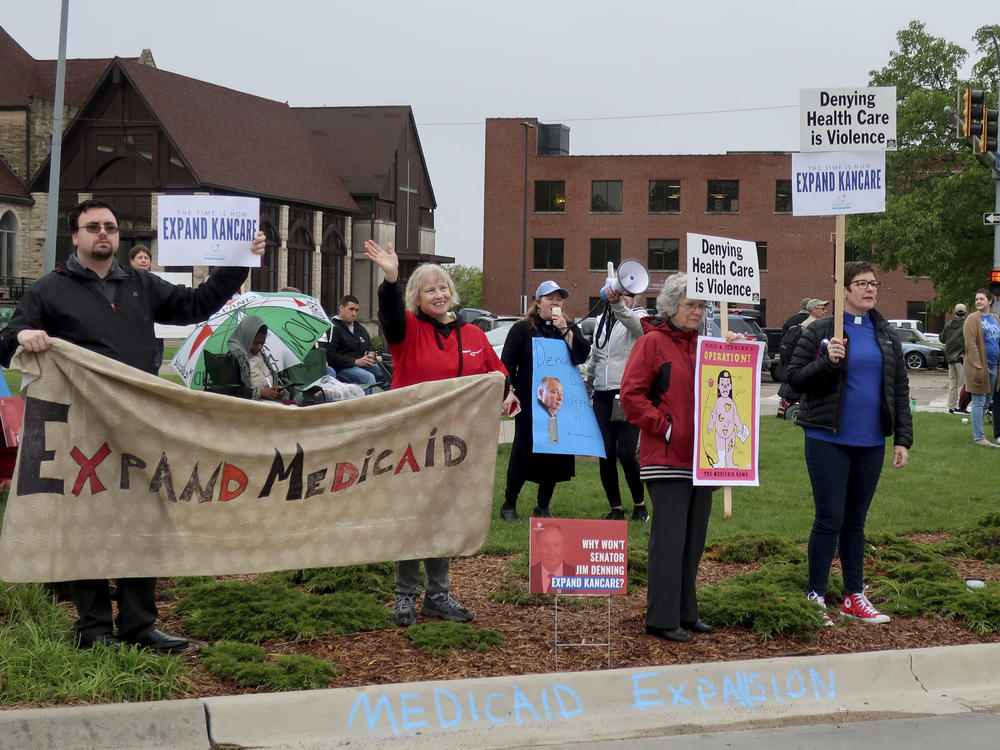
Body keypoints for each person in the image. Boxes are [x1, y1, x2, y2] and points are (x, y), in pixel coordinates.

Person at [0, 198, 266, 651]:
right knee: (86, 523)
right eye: (93, 227)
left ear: (118, 236)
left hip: (140, 427)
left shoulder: (140, 284)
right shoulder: (48, 290)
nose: (103, 233)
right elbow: (6, 341)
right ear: (76, 235)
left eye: (110, 226)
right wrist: (23, 334)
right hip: (81, 430)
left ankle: (140, 627)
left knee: (143, 520)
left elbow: (195, 304)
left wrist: (239, 263)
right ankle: (95, 630)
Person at [364, 238, 514, 628]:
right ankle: (404, 596)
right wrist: (391, 279)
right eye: (429, 289)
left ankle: (438, 594)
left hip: (456, 447)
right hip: (410, 444)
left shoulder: (475, 336)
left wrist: (509, 393)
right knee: (412, 515)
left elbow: (497, 377)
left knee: (442, 516)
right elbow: (391, 314)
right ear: (416, 297)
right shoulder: (407, 330)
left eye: (443, 287)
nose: (439, 293)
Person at [786, 261, 912, 627]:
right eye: (861, 283)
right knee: (830, 518)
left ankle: (853, 595)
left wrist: (902, 438)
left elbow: (899, 389)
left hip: (870, 441)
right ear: (843, 289)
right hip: (827, 438)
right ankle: (815, 595)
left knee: (856, 522)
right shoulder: (823, 330)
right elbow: (792, 380)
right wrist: (827, 361)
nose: (870, 289)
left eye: (874, 283)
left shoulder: (885, 334)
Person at [619, 273, 723, 643]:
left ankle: (686, 611)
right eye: (691, 304)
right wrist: (665, 427)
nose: (698, 311)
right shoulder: (652, 343)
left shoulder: (705, 345)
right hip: (667, 457)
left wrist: (735, 352)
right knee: (670, 539)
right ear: (671, 306)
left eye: (702, 305)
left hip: (704, 459)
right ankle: (661, 617)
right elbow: (631, 396)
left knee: (693, 539)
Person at [498, 280, 591, 521]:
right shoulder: (522, 329)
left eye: (559, 299)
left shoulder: (568, 327)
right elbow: (506, 364)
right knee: (522, 452)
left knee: (553, 454)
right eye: (550, 298)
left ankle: (543, 504)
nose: (555, 303)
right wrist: (509, 391)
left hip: (556, 406)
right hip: (530, 404)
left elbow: (581, 354)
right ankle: (509, 503)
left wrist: (565, 330)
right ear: (538, 302)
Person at [584, 290, 648, 522]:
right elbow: (595, 356)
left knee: (627, 454)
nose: (624, 299)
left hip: (628, 395)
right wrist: (588, 386)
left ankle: (640, 505)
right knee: (606, 454)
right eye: (620, 295)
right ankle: (616, 508)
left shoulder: (639, 317)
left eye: (629, 295)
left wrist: (619, 306)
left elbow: (638, 327)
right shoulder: (602, 321)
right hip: (602, 395)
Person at [962, 289, 1000, 447]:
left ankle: (980, 433)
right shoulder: (972, 319)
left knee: (986, 402)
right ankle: (979, 438)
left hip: (994, 365)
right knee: (978, 401)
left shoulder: (995, 318)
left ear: (990, 301)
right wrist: (978, 366)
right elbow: (970, 344)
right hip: (979, 367)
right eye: (976, 299)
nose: (978, 302)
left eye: (981, 299)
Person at [225, 314, 291, 401]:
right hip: (250, 406)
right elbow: (230, 391)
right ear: (246, 338)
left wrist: (277, 391)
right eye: (256, 343)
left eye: (262, 343)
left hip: (271, 403)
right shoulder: (233, 358)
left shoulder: (262, 357)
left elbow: (270, 379)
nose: (260, 347)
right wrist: (259, 393)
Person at [324, 294, 382, 392]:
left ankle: (396, 404)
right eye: (351, 309)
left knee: (388, 374)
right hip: (342, 368)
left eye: (356, 310)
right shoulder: (332, 327)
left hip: (363, 365)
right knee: (368, 378)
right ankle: (372, 407)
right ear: (341, 308)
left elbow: (371, 347)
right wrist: (355, 362)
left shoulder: (359, 328)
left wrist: (371, 355)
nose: (354, 313)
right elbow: (329, 355)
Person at [128, 245, 164, 375]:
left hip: (156, 334)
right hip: (133, 334)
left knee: (154, 368)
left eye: (146, 258)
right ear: (131, 261)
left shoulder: (158, 284)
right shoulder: (125, 282)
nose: (143, 260)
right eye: (140, 258)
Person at [706, 369, 748, 469]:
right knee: (720, 446)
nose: (725, 386)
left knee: (730, 447)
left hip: (730, 432)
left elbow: (735, 416)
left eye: (727, 384)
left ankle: (730, 462)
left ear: (730, 387)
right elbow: (714, 415)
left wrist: (740, 426)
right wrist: (710, 425)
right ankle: (721, 462)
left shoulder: (732, 403)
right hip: (719, 431)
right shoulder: (718, 402)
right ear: (719, 386)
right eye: (722, 384)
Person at [528, 523, 576, 593]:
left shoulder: (575, 573)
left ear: (564, 547)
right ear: (538, 548)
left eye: (556, 545)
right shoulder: (531, 573)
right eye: (545, 545)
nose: (551, 551)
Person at [939, 302, 968, 414]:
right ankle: (962, 407)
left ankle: (951, 407)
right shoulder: (966, 324)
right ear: (965, 313)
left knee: (953, 384)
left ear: (955, 312)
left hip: (950, 358)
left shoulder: (948, 325)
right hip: (961, 358)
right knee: (964, 384)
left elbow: (942, 339)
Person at [537, 375, 564, 443]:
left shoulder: (553, 416)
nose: (560, 398)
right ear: (541, 393)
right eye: (554, 392)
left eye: (562, 393)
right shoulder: (539, 415)